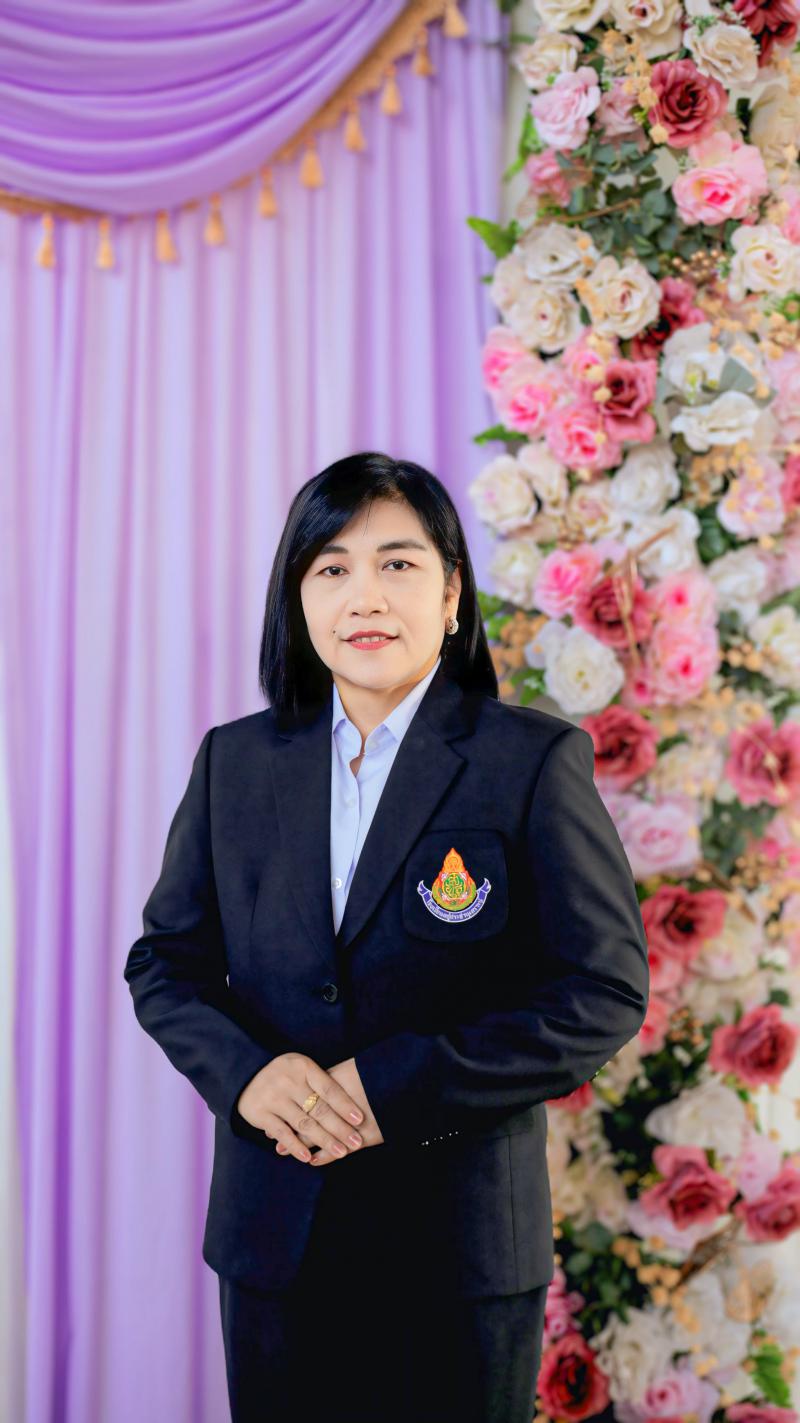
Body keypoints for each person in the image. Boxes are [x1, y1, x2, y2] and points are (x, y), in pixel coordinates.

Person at [124, 451, 650, 1423]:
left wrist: (393, 1085)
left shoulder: (529, 761)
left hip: (458, 1252)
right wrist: (247, 1075)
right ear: (298, 600)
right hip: (274, 1238)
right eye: (331, 567)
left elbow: (603, 991)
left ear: (450, 596)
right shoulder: (235, 762)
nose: (363, 594)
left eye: (397, 563)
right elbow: (165, 964)